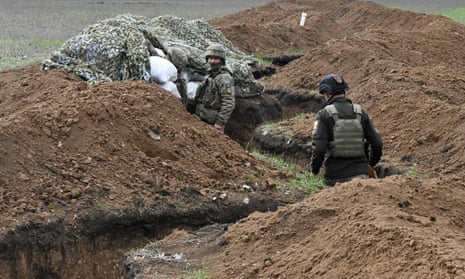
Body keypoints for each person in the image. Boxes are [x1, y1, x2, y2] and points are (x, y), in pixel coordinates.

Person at [310, 73, 383, 186]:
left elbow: (319, 149)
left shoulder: (324, 115)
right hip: (362, 177)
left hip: (334, 179)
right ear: (344, 91)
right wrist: (369, 165)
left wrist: (314, 171)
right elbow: (377, 144)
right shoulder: (361, 112)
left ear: (327, 94)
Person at [194, 43, 235, 133]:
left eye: (216, 59)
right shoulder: (210, 75)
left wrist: (220, 122)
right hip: (200, 117)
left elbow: (228, 102)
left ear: (221, 60)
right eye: (210, 58)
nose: (212, 61)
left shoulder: (224, 78)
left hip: (212, 122)